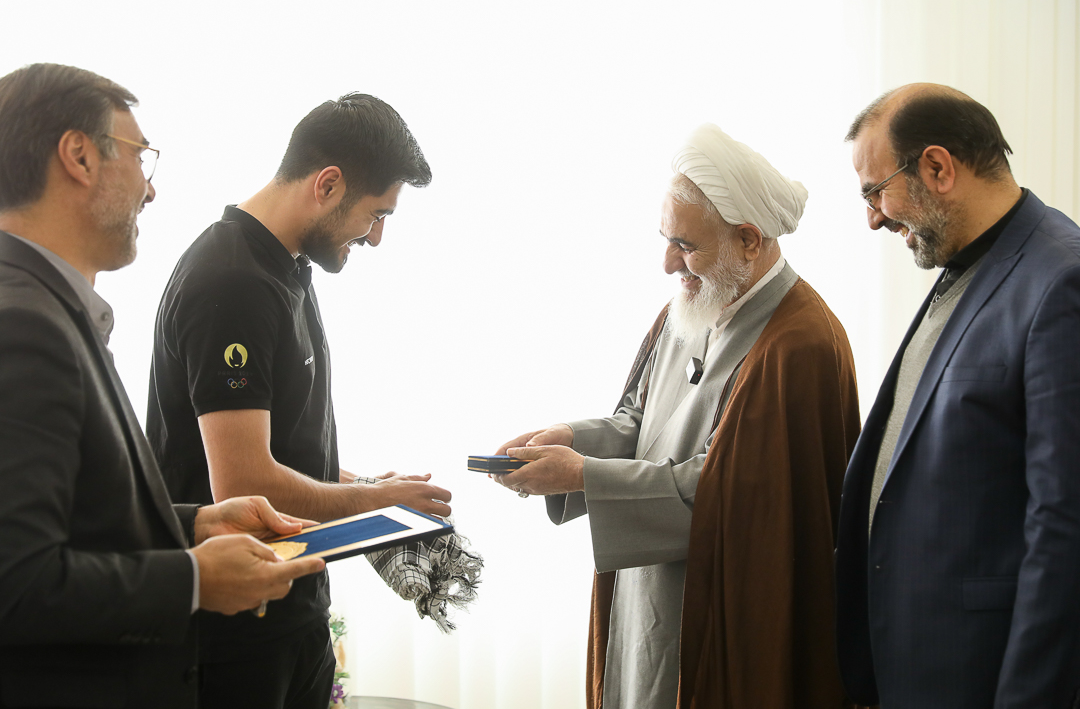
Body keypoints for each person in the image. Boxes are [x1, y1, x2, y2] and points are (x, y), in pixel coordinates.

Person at [495, 124, 860, 709]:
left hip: (725, 616)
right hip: (645, 594)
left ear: (748, 240)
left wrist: (582, 476)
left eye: (685, 245)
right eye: (666, 240)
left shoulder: (800, 343)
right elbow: (640, 422)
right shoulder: (690, 304)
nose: (668, 263)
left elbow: (735, 497)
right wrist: (570, 440)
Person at [0, 63, 326, 709]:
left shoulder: (50, 309)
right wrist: (192, 581)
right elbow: (17, 580)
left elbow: (79, 519)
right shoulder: (22, 325)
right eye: (140, 156)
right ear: (79, 156)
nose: (150, 191)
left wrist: (195, 523)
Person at [146, 94, 453, 709]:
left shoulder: (287, 267)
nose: (377, 237)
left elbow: (285, 451)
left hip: (293, 615)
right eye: (376, 214)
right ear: (328, 185)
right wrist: (376, 502)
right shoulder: (233, 282)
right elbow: (244, 484)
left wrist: (369, 484)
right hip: (233, 636)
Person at [835, 83, 1080, 708]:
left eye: (874, 191)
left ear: (938, 168)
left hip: (983, 678)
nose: (873, 217)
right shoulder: (968, 265)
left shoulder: (1060, 281)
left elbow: (1065, 528)